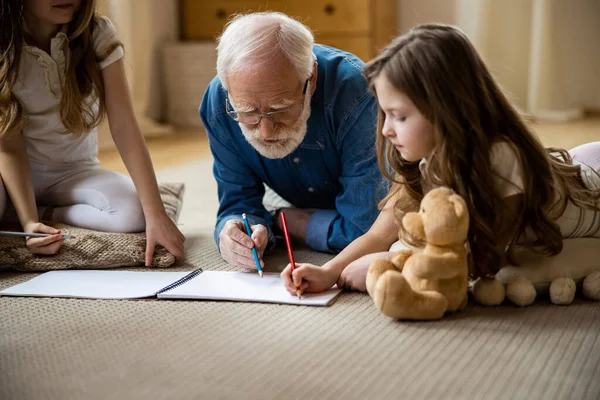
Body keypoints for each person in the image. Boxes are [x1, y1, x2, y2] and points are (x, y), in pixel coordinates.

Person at [281, 23, 600, 296]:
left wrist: (396, 266)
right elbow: (380, 234)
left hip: (589, 194)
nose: (387, 130)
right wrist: (330, 271)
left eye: (399, 116)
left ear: (446, 111)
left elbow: (487, 259)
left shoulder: (500, 157)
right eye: (385, 114)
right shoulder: (424, 159)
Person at [0, 0, 185, 265]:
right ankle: (19, 211)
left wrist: (156, 213)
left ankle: (42, 211)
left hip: (75, 172)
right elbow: (8, 145)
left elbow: (125, 126)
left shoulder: (97, 32)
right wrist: (29, 222)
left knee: (134, 214)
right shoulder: (5, 43)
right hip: (9, 174)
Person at [199, 12, 386, 269]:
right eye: (248, 112)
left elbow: (366, 230)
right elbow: (237, 202)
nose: (265, 131)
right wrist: (235, 230)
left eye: (280, 109)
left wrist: (285, 221)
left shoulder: (358, 96)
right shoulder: (218, 104)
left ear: (311, 79)